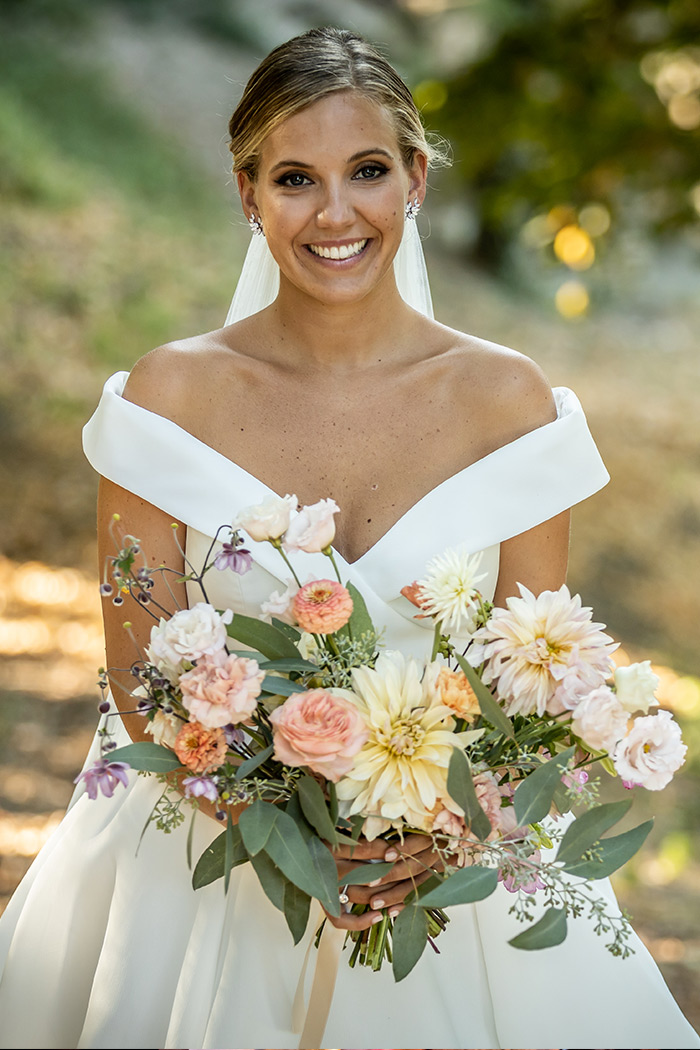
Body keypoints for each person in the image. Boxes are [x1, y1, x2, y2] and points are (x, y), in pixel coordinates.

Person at [0, 25, 697, 1050]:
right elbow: (138, 674)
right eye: (293, 178)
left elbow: (526, 679)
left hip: (445, 871)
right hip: (201, 857)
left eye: (367, 170)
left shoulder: (508, 403)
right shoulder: (169, 397)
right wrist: (285, 841)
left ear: (414, 178)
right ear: (247, 193)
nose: (335, 213)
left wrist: (446, 831)